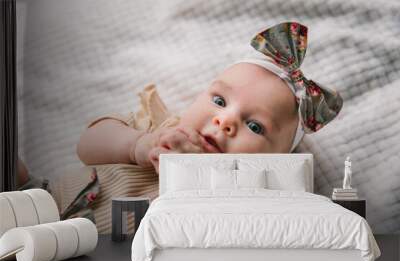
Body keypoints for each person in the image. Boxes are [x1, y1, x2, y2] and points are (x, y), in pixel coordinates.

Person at [54, 22, 343, 233]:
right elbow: (87, 145)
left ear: (277, 163)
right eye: (219, 100)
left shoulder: (237, 200)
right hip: (42, 200)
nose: (225, 121)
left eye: (255, 126)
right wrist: (138, 145)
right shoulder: (157, 125)